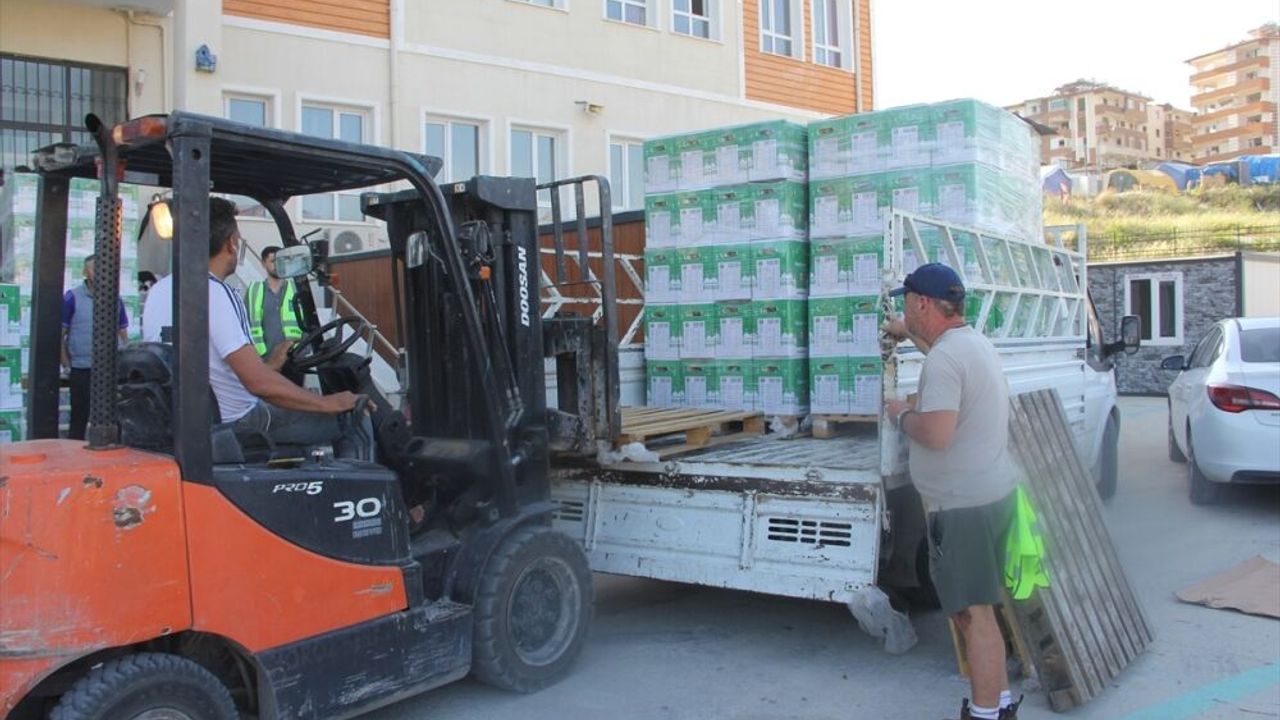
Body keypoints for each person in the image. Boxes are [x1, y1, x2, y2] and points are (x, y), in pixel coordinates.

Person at [882, 262, 1022, 720]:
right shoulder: (970, 344)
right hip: (989, 496)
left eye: (907, 303)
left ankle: (984, 714)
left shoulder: (944, 361)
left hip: (963, 507)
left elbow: (937, 434)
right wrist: (906, 333)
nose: (905, 310)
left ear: (923, 303)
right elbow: (937, 352)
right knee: (981, 610)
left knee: (970, 614)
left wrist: (901, 414)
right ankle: (1000, 705)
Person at [142, 198, 368, 456]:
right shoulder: (218, 292)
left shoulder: (159, 291)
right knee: (356, 416)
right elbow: (258, 384)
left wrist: (271, 364)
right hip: (238, 420)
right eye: (238, 238)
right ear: (231, 243)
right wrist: (327, 402)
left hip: (192, 416)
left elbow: (217, 367)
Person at [62, 254, 129, 440]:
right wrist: (66, 365)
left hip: (108, 368)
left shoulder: (115, 299)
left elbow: (122, 333)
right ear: (85, 272)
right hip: (81, 367)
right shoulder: (72, 297)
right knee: (79, 415)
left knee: (113, 416)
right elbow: (61, 334)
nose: (98, 273)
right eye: (94, 269)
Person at [244, 245, 304, 384]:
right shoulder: (254, 291)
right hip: (265, 359)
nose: (277, 265)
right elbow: (245, 324)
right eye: (273, 261)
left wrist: (303, 351)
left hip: (294, 358)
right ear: (263, 263)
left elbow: (307, 321)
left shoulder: (296, 289)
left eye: (281, 261)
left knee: (295, 396)